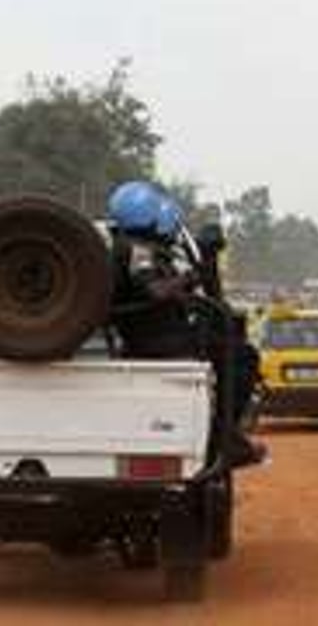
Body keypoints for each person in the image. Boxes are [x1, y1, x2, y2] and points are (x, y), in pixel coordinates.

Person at [107, 181, 265, 468]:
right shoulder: (136, 250)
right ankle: (222, 437)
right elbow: (155, 291)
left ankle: (224, 433)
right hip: (157, 339)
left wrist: (204, 265)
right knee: (243, 358)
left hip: (156, 334)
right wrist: (191, 277)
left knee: (230, 341)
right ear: (150, 215)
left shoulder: (134, 246)